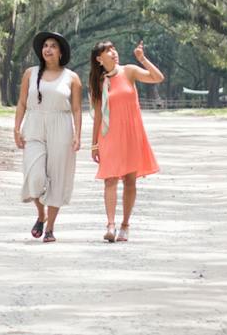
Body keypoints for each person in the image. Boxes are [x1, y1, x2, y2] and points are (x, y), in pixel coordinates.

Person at [89, 39, 162, 242]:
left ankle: (125, 225)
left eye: (114, 49)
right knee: (110, 179)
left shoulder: (129, 71)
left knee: (130, 180)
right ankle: (110, 225)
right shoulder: (98, 81)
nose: (113, 53)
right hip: (108, 135)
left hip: (131, 133)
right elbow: (97, 114)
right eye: (107, 51)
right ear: (99, 59)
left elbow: (158, 78)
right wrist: (94, 143)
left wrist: (142, 59)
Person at [13, 30, 81, 242]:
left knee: (57, 177)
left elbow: (77, 109)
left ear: (61, 52)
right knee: (35, 176)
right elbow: (22, 102)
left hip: (61, 126)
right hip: (34, 125)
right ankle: (40, 215)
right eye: (45, 46)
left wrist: (78, 134)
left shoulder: (72, 78)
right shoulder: (30, 73)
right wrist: (16, 128)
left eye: (53, 46)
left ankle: (50, 227)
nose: (48, 49)